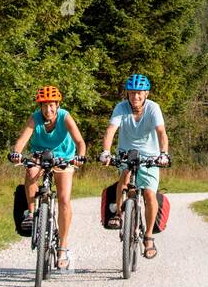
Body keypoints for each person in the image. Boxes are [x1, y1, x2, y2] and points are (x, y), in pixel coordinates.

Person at [10, 85, 86, 270]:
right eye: (44, 106)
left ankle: (62, 247)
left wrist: (80, 157)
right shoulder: (35, 118)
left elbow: (79, 141)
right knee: (30, 172)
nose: (48, 110)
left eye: (51, 105)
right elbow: (22, 140)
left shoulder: (65, 116)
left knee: (64, 199)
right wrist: (16, 153)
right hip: (40, 154)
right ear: (40, 107)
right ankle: (30, 212)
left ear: (57, 105)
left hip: (64, 157)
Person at [100, 74, 169, 259]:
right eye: (131, 93)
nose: (135, 97)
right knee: (125, 177)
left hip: (151, 155)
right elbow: (110, 131)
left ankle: (148, 237)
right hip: (126, 152)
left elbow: (161, 132)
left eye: (139, 93)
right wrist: (106, 152)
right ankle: (120, 215)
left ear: (145, 94)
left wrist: (163, 154)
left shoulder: (153, 108)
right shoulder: (121, 108)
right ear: (127, 94)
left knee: (148, 193)